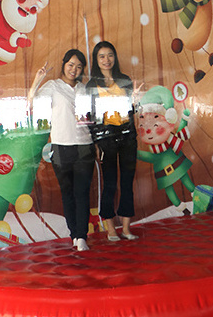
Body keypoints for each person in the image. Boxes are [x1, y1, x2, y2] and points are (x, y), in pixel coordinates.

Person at [29, 49, 95, 252]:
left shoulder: (85, 89)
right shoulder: (53, 86)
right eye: (71, 64)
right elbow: (31, 101)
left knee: (82, 193)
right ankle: (74, 234)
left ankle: (82, 236)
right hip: (60, 147)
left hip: (85, 146)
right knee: (67, 193)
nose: (74, 69)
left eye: (78, 66)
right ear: (64, 64)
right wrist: (37, 79)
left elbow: (92, 118)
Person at [86, 41, 141, 241]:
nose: (106, 60)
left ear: (115, 57)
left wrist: (132, 133)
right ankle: (110, 229)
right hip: (106, 139)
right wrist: (96, 143)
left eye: (110, 55)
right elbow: (89, 116)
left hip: (127, 137)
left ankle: (126, 229)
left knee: (127, 182)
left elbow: (130, 110)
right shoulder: (91, 85)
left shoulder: (124, 80)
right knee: (110, 184)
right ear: (96, 60)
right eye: (102, 56)